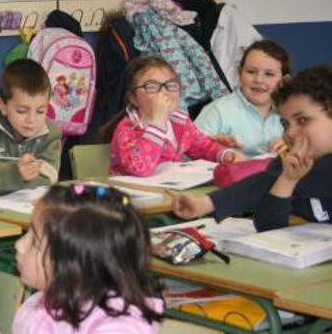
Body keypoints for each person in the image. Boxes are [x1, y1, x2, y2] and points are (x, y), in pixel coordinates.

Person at [0, 183, 164, 334]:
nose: (19, 245)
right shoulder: (51, 299)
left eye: (34, 241)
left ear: (76, 261)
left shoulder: (117, 327)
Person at [170, 64, 332, 231]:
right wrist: (286, 180)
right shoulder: (290, 163)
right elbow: (268, 226)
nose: (289, 133)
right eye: (285, 124)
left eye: (303, 120)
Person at [103, 56, 244, 177]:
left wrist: (225, 154)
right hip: (133, 198)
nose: (164, 92)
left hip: (170, 191)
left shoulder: (180, 123)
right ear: (133, 98)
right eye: (152, 86)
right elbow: (140, 169)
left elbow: (204, 147)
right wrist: (157, 123)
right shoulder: (128, 129)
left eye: (170, 85)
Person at [0, 59, 62, 194]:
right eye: (22, 111)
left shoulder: (51, 133)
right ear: (2, 106)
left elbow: (50, 177)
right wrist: (16, 174)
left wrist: (4, 178)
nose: (31, 120)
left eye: (40, 111)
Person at [195, 39, 291, 156]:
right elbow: (188, 153)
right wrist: (212, 148)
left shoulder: (292, 113)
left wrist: (293, 144)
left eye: (269, 74)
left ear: (284, 80)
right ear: (240, 73)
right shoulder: (216, 111)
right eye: (251, 72)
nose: (258, 80)